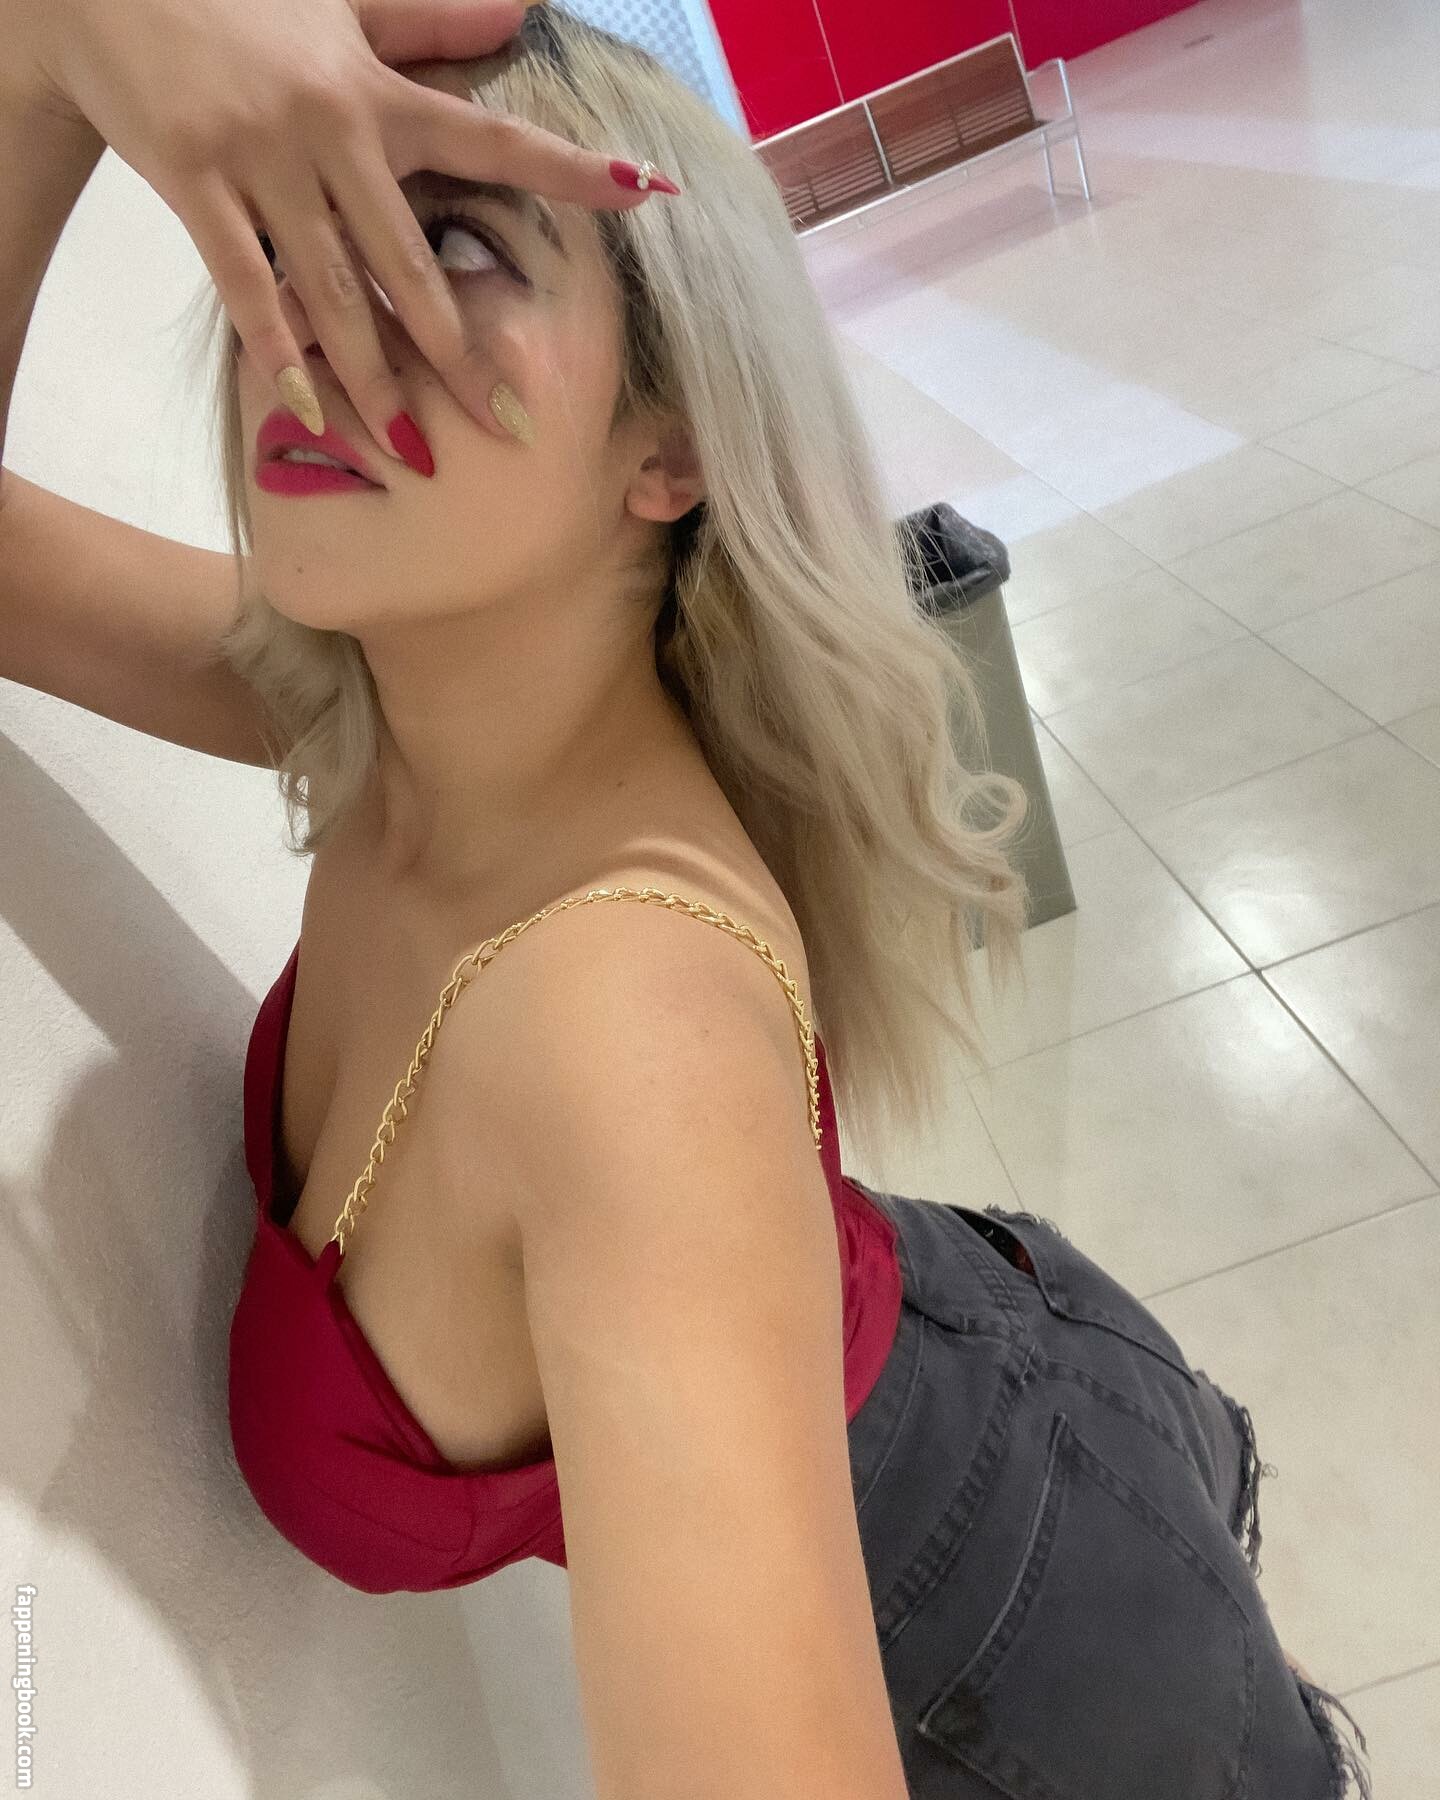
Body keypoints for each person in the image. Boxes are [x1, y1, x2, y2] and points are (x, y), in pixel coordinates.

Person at [0, 2, 1372, 1796]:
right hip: (962, 1348)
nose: (315, 321)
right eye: (296, 227)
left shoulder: (626, 1045)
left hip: (1019, 1632)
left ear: (670, 443)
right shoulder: (392, 709)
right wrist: (58, 44)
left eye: (455, 248)